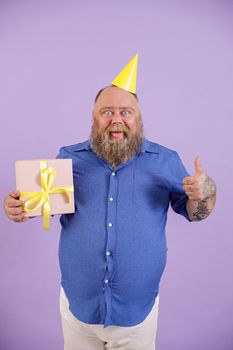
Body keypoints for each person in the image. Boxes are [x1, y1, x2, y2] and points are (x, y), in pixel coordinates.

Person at [3, 56, 216, 350]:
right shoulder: (69, 157)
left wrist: (204, 193)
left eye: (125, 112)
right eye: (107, 111)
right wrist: (18, 208)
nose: (117, 119)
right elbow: (40, 206)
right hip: (79, 309)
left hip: (137, 312)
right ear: (94, 119)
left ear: (138, 120)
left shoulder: (165, 161)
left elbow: (197, 213)